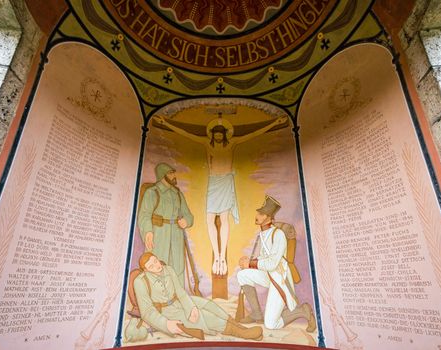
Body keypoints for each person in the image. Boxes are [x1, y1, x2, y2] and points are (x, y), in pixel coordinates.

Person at [154, 114, 287, 275]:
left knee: (224, 218)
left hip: (225, 183)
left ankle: (222, 257)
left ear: (224, 135)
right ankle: (216, 256)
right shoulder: (206, 144)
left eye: (220, 135)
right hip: (213, 183)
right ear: (212, 135)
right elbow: (187, 134)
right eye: (215, 135)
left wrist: (274, 122)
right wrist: (166, 123)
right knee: (209, 218)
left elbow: (253, 134)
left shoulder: (232, 144)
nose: (217, 137)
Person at [134, 252, 264, 341]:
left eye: (156, 261)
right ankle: (241, 333)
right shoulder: (140, 282)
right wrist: (166, 324)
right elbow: (147, 312)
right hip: (166, 312)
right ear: (146, 270)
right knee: (206, 316)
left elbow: (180, 292)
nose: (157, 266)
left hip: (178, 301)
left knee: (210, 305)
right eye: (151, 266)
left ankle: (238, 326)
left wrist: (191, 308)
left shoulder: (168, 269)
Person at [237, 195, 316, 331]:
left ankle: (302, 311)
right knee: (242, 275)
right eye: (258, 212)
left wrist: (250, 263)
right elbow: (263, 259)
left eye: (261, 214)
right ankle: (256, 314)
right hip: (269, 275)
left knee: (271, 324)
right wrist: (248, 263)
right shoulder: (262, 235)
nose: (257, 215)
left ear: (269, 218)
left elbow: (272, 264)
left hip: (280, 279)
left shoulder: (278, 234)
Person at [138, 162, 193, 287]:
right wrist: (148, 231)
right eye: (170, 173)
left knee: (177, 267)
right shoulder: (152, 192)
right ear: (162, 175)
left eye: (173, 172)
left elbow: (188, 215)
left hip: (176, 236)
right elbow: (144, 215)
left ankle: (178, 299)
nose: (174, 176)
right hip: (158, 234)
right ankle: (158, 300)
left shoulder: (178, 194)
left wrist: (187, 221)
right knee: (157, 266)